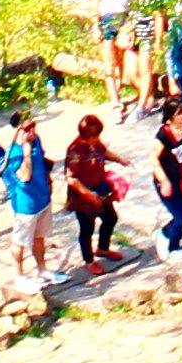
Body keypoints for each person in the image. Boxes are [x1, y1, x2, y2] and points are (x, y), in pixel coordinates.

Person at [0, 112, 58, 286]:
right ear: (18, 130)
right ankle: (19, 275)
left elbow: (43, 163)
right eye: (27, 128)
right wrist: (26, 153)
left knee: (39, 237)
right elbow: (25, 176)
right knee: (20, 241)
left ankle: (42, 270)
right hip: (25, 205)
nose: (32, 131)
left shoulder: (36, 140)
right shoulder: (14, 153)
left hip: (42, 199)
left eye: (34, 126)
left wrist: (49, 183)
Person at [61, 112, 122, 270]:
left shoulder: (95, 142)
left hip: (100, 187)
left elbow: (103, 151)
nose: (97, 138)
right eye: (94, 136)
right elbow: (71, 178)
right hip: (82, 194)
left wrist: (120, 159)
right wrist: (88, 194)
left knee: (110, 218)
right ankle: (89, 261)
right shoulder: (75, 150)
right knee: (87, 228)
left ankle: (103, 248)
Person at [152, 97, 182, 253]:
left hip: (181, 176)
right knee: (181, 217)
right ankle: (172, 248)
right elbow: (153, 159)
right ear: (171, 118)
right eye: (180, 113)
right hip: (166, 179)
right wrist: (164, 181)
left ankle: (165, 232)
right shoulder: (164, 135)